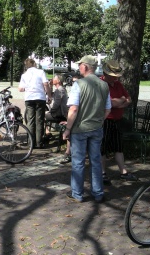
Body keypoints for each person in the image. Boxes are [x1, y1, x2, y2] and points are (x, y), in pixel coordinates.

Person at [63, 55, 111, 203]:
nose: (79, 68)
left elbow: (74, 109)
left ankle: (77, 193)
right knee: (96, 161)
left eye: (80, 66)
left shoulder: (79, 84)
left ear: (85, 67)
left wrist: (67, 129)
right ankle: (98, 193)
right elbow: (108, 108)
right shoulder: (104, 85)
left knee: (78, 162)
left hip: (80, 128)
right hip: (96, 127)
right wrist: (99, 120)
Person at [100, 60, 137, 185]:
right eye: (113, 75)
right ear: (106, 73)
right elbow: (111, 103)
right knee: (102, 148)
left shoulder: (118, 85)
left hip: (117, 120)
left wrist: (119, 102)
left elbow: (128, 99)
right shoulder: (101, 84)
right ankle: (102, 173)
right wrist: (121, 101)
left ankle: (123, 172)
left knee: (118, 147)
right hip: (105, 120)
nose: (115, 78)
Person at [18, 58, 52, 149]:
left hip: (29, 98)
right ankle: (39, 142)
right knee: (39, 120)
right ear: (34, 64)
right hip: (40, 98)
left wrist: (28, 88)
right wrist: (49, 96)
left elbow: (20, 89)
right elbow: (46, 84)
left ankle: (31, 143)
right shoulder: (40, 72)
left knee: (30, 120)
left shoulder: (24, 75)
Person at [43, 74, 71, 161]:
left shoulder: (60, 90)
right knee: (43, 113)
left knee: (41, 115)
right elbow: (51, 99)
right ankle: (47, 132)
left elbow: (55, 105)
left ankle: (47, 133)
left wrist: (49, 109)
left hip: (59, 114)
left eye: (54, 78)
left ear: (58, 81)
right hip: (59, 112)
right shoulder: (60, 89)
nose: (52, 79)